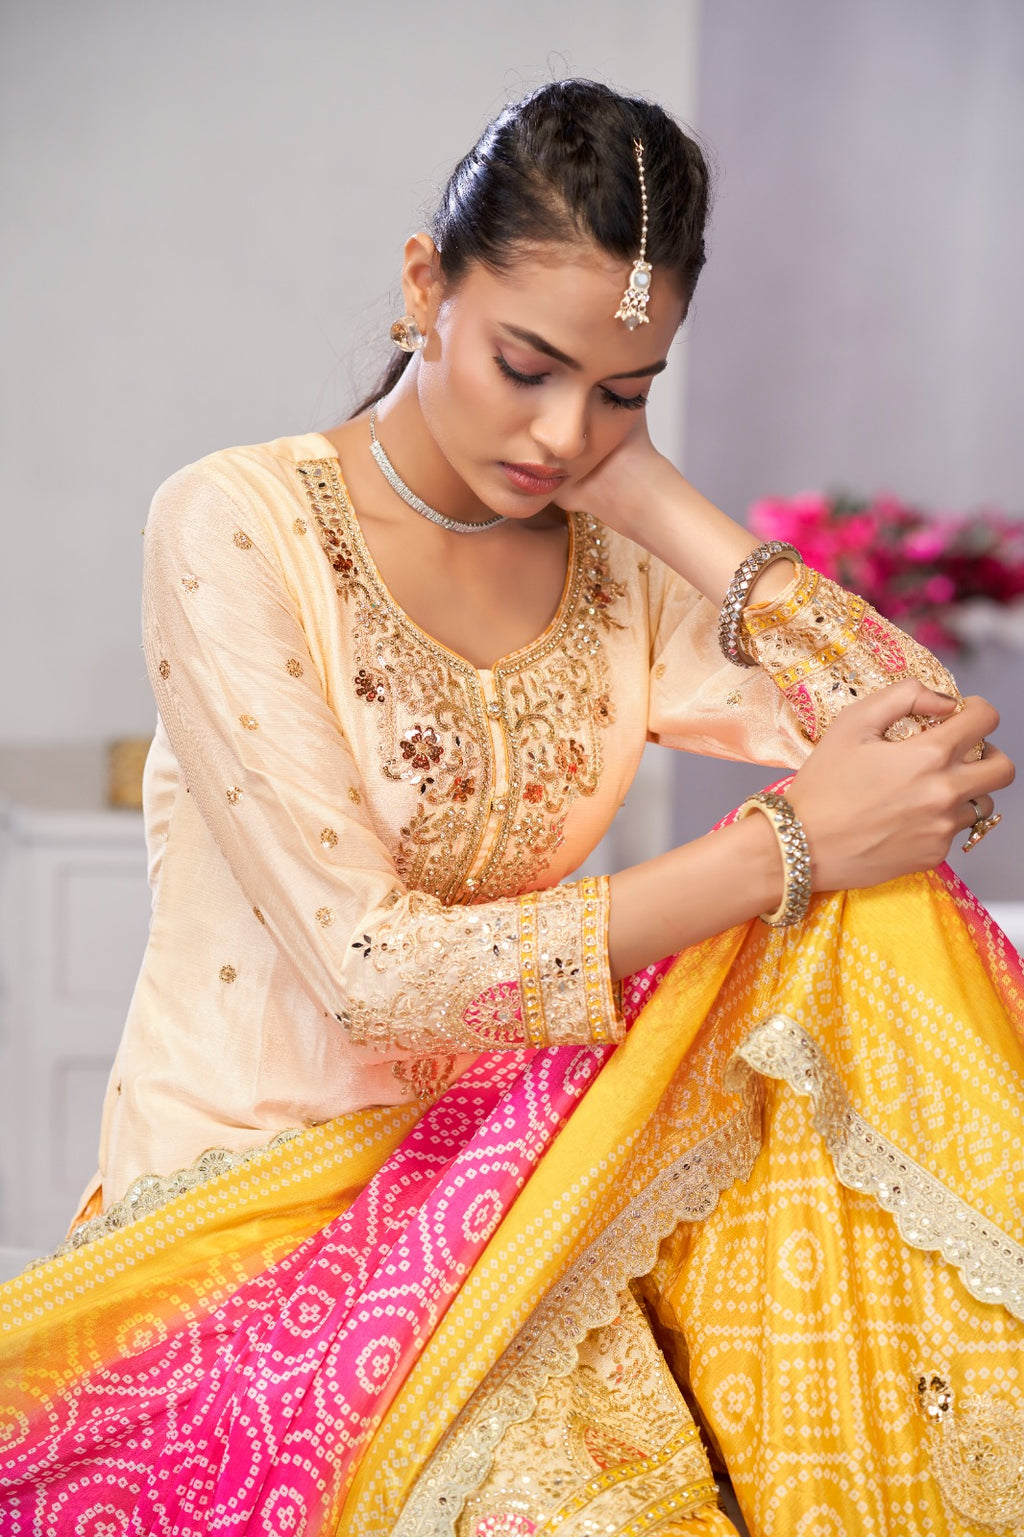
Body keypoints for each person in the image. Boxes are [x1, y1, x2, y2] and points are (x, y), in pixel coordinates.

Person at [1, 79, 1021, 1537]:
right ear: (426, 285)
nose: (558, 433)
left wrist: (662, 501)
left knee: (887, 901)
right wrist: (782, 849)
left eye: (623, 388)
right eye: (526, 363)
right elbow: (375, 977)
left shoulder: (609, 565)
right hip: (260, 1206)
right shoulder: (239, 525)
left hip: (516, 1180)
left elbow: (931, 752)